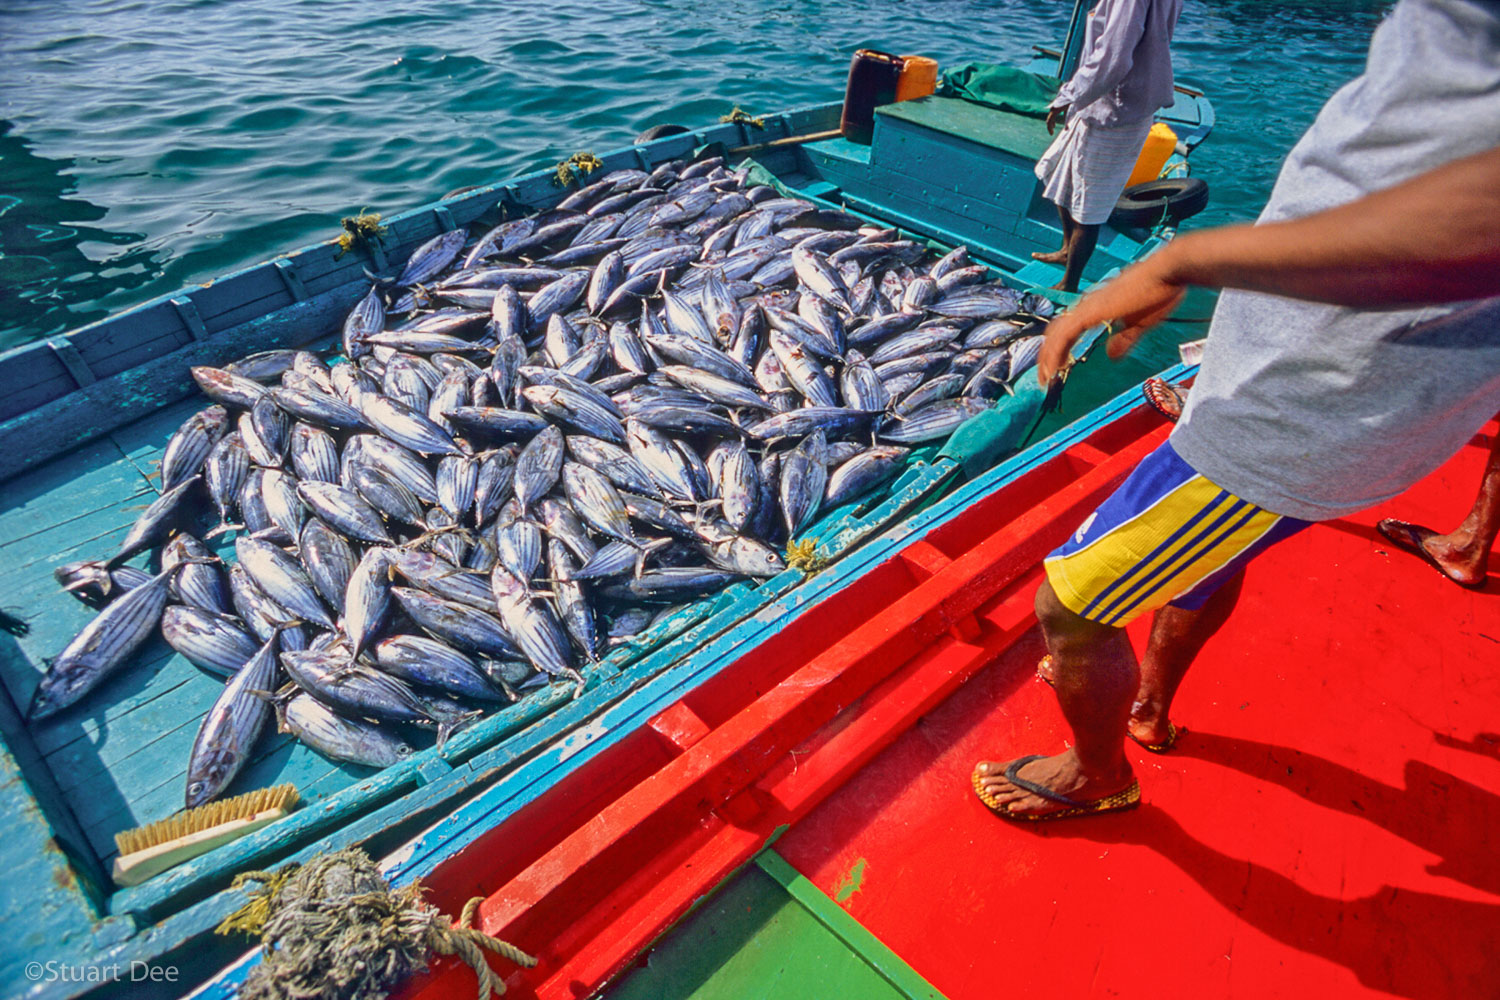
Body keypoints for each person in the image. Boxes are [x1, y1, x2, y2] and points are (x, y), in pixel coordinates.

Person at [973, 0, 1500, 821]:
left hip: (1308, 403)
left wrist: (1193, 257)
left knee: (1068, 609)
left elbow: (1475, 226)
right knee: (1211, 556)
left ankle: (1096, 775)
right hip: (1300, 368)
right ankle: (1145, 704)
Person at [1032, 0, 1183, 293]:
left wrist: (1067, 96)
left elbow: (1113, 58)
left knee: (1089, 206)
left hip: (1114, 110)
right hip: (1105, 101)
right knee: (1063, 179)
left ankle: (1069, 284)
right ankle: (1066, 249)